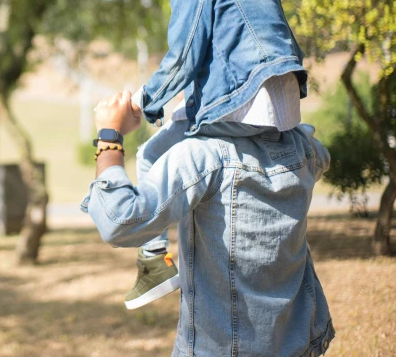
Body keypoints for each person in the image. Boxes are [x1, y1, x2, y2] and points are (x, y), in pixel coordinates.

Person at [104, 0, 309, 310]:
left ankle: (153, 261)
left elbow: (182, 58)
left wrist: (144, 105)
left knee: (150, 153)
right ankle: (154, 262)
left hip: (237, 109)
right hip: (281, 113)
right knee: (177, 128)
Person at [82, 90, 334, 357]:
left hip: (220, 350)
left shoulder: (202, 155)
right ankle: (152, 255)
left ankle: (153, 255)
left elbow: (119, 220)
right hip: (299, 342)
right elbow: (319, 153)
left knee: (149, 152)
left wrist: (109, 136)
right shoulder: (303, 147)